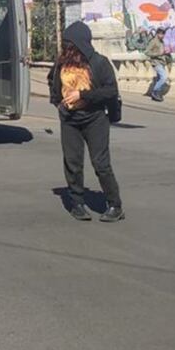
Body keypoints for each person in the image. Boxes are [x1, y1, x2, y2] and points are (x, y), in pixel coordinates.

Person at [48, 21, 124, 223]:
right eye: (66, 45)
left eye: (70, 45)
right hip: (70, 119)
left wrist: (82, 94)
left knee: (101, 164)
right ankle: (77, 203)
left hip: (95, 118)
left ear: (82, 44)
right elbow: (52, 81)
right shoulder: (61, 64)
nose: (67, 49)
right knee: (73, 162)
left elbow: (110, 91)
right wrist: (58, 103)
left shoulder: (99, 63)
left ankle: (115, 205)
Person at [145, 27, 169, 102]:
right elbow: (147, 52)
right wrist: (158, 54)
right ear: (158, 34)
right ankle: (155, 91)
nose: (163, 36)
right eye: (161, 34)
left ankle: (157, 94)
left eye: (163, 34)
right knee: (163, 77)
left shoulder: (161, 41)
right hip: (156, 62)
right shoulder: (153, 41)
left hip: (162, 62)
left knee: (159, 78)